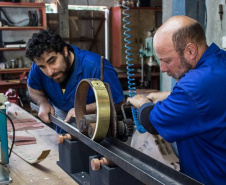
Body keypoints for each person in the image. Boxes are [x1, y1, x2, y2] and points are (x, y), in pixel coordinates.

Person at [127, 15, 226, 184]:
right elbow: (209, 99)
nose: (163, 69)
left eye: (167, 60)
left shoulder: (193, 86)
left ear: (190, 51)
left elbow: (152, 122)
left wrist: (142, 102)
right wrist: (167, 95)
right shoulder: (220, 61)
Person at [26, 30, 125, 134]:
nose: (50, 71)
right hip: (62, 129)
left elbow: (118, 102)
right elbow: (33, 87)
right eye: (43, 67)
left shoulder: (96, 66)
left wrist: (83, 109)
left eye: (52, 61)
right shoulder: (39, 66)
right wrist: (42, 102)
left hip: (96, 132)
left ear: (64, 51)